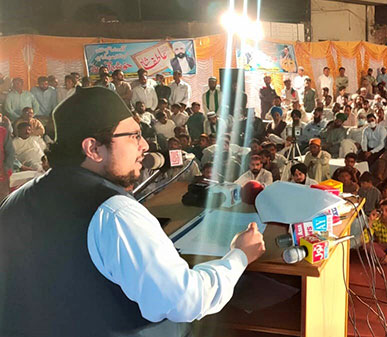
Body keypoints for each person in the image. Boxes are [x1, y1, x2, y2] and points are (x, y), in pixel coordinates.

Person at [0, 87, 265, 336]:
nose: (145, 146)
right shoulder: (113, 213)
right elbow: (185, 300)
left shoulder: (16, 199)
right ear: (93, 149)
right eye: (134, 136)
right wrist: (239, 256)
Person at [0, 123, 14, 200]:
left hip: (2, 175)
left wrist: (6, 169)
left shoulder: (3, 131)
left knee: (3, 201)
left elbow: (10, 153)